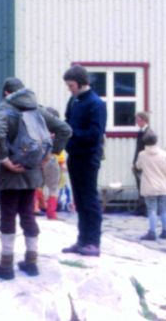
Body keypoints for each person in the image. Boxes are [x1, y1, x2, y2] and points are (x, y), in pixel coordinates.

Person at [0, 78, 71, 279]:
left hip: (11, 170)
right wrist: (50, 155)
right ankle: (31, 262)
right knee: (28, 214)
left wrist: (4, 158)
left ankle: (6, 266)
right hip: (33, 170)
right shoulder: (37, 109)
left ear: (7, 93)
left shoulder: (6, 108)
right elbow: (65, 130)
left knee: (8, 215)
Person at [61, 65, 107, 257]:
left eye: (71, 85)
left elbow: (95, 134)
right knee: (79, 199)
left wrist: (71, 134)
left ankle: (93, 242)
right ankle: (82, 239)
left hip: (88, 157)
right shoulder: (74, 100)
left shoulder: (96, 104)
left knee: (89, 199)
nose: (69, 89)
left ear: (81, 83)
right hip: (74, 155)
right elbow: (67, 121)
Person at [134, 132, 166, 240]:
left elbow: (138, 166)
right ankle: (165, 231)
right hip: (163, 186)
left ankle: (152, 232)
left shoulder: (142, 154)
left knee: (152, 209)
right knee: (164, 209)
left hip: (149, 186)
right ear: (156, 141)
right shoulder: (164, 154)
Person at [34, 106, 65, 220]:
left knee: (37, 184)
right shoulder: (57, 132)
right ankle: (51, 213)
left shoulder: (36, 130)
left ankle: (34, 207)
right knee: (53, 187)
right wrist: (62, 164)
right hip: (51, 159)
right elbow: (59, 150)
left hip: (37, 159)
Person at [132, 111, 156, 203]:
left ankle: (146, 207)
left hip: (145, 163)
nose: (136, 122)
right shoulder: (141, 132)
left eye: (138, 120)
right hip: (138, 162)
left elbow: (148, 150)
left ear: (144, 120)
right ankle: (141, 205)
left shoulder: (149, 133)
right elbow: (137, 149)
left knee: (145, 185)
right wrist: (134, 162)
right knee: (140, 185)